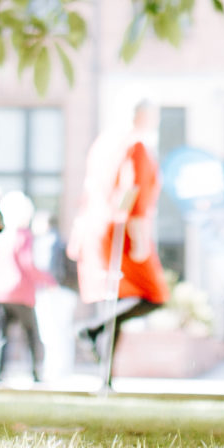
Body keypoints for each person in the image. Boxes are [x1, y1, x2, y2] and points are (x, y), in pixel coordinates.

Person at [68, 99, 168, 369]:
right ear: (142, 115)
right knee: (154, 294)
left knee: (114, 299)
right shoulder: (134, 145)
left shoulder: (101, 144)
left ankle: (105, 374)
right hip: (119, 228)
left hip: (94, 226)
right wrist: (138, 235)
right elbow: (134, 190)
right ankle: (92, 329)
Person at [0, 191, 55, 383]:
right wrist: (48, 280)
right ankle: (36, 374)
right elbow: (27, 264)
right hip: (20, 293)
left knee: (1, 336)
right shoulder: (23, 235)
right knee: (31, 334)